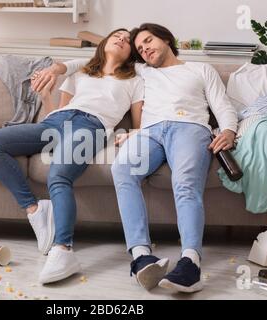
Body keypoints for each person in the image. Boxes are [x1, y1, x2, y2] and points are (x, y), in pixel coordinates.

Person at [34, 23, 238, 293]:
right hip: (150, 132)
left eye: (149, 41)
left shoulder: (200, 69)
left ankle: (191, 262)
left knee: (185, 181)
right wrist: (57, 68)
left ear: (167, 39)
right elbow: (94, 60)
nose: (145, 49)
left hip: (189, 127)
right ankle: (141, 256)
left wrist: (228, 130)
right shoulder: (141, 71)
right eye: (140, 48)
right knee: (122, 170)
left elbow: (222, 105)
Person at [0, 28, 144, 284]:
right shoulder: (82, 72)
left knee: (58, 174)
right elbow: (57, 111)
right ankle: (34, 208)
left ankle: (63, 249)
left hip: (91, 127)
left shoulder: (135, 79)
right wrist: (45, 95)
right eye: (117, 35)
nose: (122, 39)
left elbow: (138, 123)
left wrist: (133, 135)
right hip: (55, 122)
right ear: (106, 42)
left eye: (127, 40)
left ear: (132, 52)